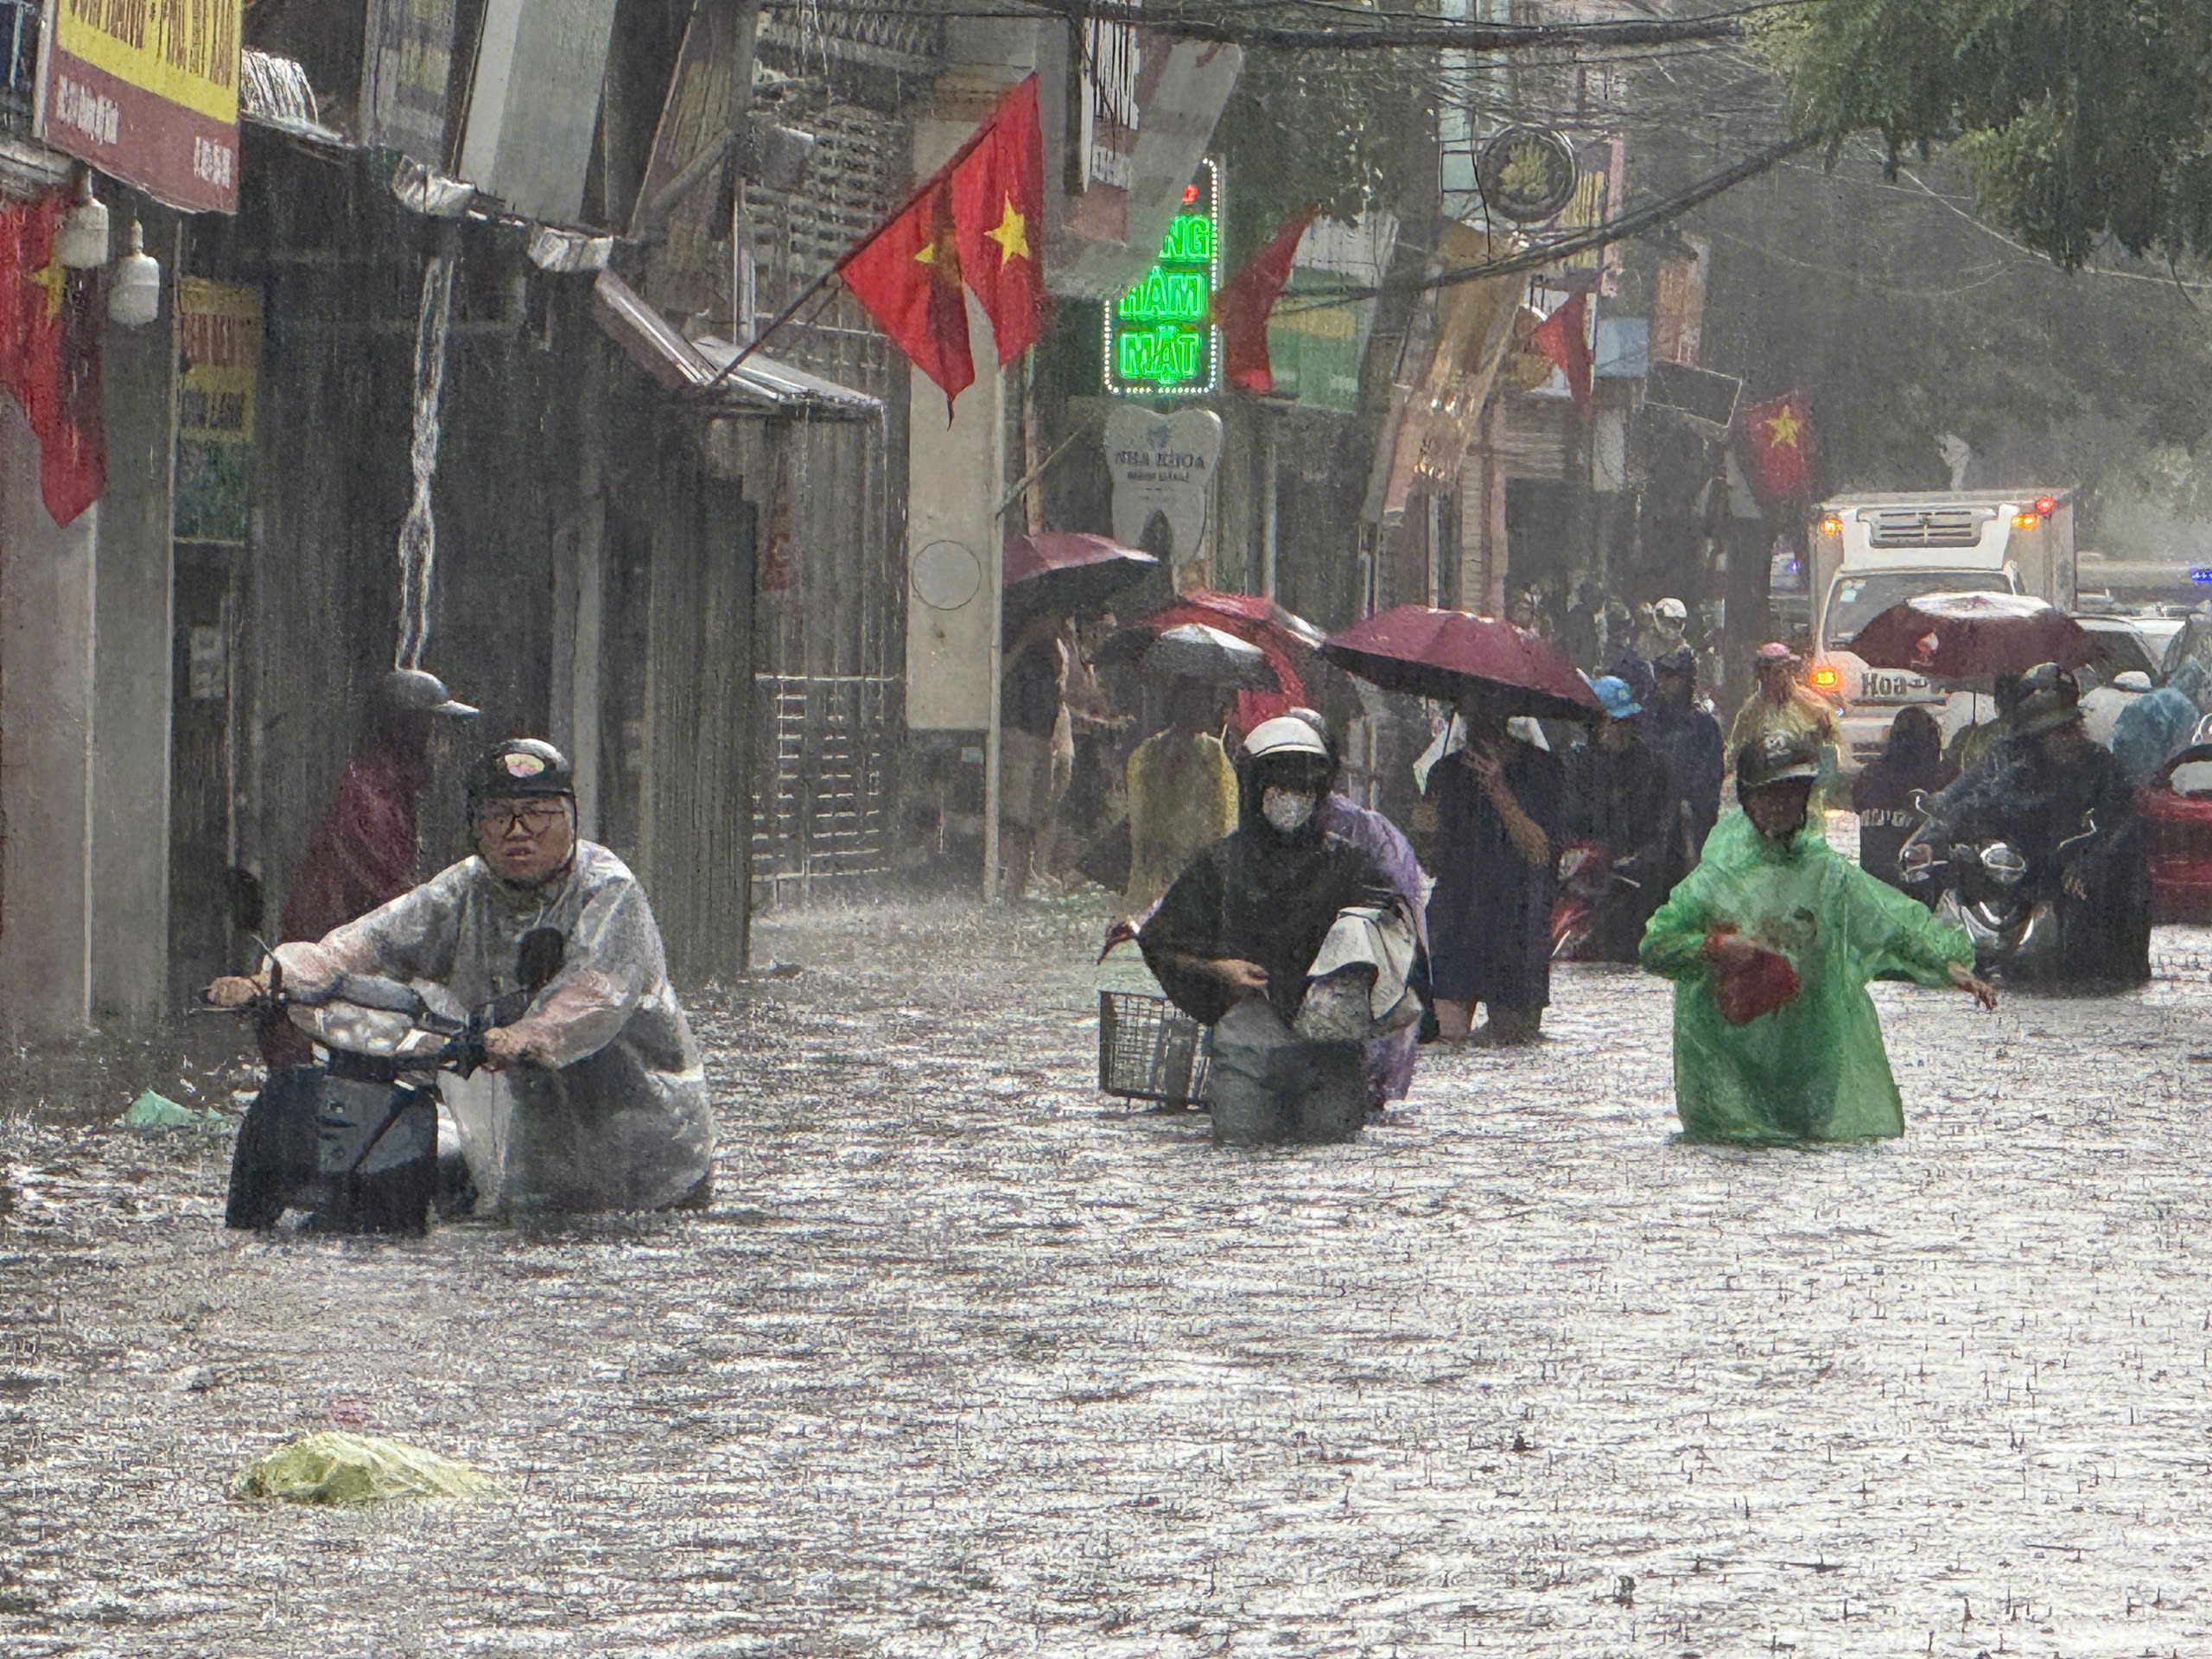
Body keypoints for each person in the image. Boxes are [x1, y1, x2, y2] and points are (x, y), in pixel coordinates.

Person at [211, 739, 715, 1215]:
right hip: (538, 1144)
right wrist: (272, 981)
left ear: (571, 819)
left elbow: (597, 990)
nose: (517, 830)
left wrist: (533, 1034)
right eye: (498, 816)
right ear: (476, 826)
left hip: (645, 1144)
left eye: (537, 814)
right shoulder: (464, 890)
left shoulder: (608, 891)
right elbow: (369, 941)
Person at [1639, 731, 1996, 1144]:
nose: (1781, 805)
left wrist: (1948, 966)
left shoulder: (1829, 876)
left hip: (1808, 1057)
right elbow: (1655, 946)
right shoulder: (1715, 879)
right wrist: (1715, 948)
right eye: (1770, 795)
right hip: (1728, 1065)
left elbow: (1892, 926)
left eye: (1793, 794)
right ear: (1747, 800)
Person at [1140, 716, 1418, 1143]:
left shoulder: (1350, 865)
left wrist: (1349, 965)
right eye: (1279, 787)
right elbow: (1162, 942)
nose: (1292, 798)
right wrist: (1221, 970)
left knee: (1330, 1171)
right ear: (1256, 790)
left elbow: (1398, 940)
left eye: (1304, 789)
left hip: (1331, 1055)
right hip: (1247, 1048)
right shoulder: (1219, 866)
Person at [259, 667, 477, 1067]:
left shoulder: (389, 790)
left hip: (340, 991)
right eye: (436, 734)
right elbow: (398, 910)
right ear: (409, 733)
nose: (443, 749)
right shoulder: (371, 800)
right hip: (326, 994)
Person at [1925, 663, 2152, 988]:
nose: (2066, 739)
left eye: (2069, 728)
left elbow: (2122, 824)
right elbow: (1979, 799)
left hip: (2096, 897)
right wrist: (1939, 831)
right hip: (2032, 884)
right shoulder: (2017, 767)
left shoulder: (2101, 767)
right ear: (2036, 737)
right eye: (2055, 732)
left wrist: (2089, 861)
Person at [1286, 707, 1430, 1115]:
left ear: (1330, 772)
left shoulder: (1369, 834)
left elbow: (1400, 919)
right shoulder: (1263, 832)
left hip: (1360, 996)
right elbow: (1211, 882)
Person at [1424, 696, 1566, 1044]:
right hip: (1456, 920)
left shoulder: (1543, 769)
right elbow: (1429, 862)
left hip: (1517, 924)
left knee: (1514, 1044)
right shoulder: (1444, 773)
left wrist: (1498, 790)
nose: (1480, 721)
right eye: (1472, 710)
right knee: (1448, 1044)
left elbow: (1539, 853)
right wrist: (1423, 826)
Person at [1561, 677, 1677, 961]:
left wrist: (1639, 862)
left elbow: (1664, 828)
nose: (1624, 730)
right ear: (1596, 724)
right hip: (1584, 886)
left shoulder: (1652, 766)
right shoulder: (1574, 767)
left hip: (1637, 888)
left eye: (1628, 722)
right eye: (1616, 723)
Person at [1122, 677, 1241, 918]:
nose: (1191, 710)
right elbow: (1140, 805)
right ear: (1174, 705)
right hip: (1159, 857)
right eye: (1186, 702)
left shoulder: (1213, 753)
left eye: (1199, 704)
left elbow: (1225, 811)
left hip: (1197, 857)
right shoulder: (1151, 750)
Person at [1001, 607, 1071, 899]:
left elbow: (1061, 690)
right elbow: (999, 674)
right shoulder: (1016, 641)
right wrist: (1027, 639)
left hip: (1044, 740)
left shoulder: (1053, 651)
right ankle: (1009, 885)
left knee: (1035, 817)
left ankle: (1021, 883)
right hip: (1018, 734)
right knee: (1016, 815)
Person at [1853, 705, 1956, 893]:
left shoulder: (1868, 775)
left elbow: (1858, 805)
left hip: (1872, 885)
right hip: (1919, 884)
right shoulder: (1941, 775)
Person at [1728, 641, 1840, 804]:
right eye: (1767, 672)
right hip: (1766, 799)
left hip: (1804, 798)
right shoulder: (1750, 712)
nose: (1774, 678)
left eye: (1780, 671)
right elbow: (1736, 754)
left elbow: (1831, 748)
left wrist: (1820, 790)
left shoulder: (1813, 706)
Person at [1644, 646, 1725, 870]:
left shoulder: (1704, 727)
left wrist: (1685, 807)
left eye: (1672, 677)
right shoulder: (1647, 721)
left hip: (1691, 828)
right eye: (1661, 676)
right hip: (1651, 828)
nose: (1665, 684)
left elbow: (1710, 782)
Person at [1634, 597, 1689, 664]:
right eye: (1669, 621)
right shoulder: (1646, 641)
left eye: (1678, 622)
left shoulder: (1684, 650)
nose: (1672, 626)